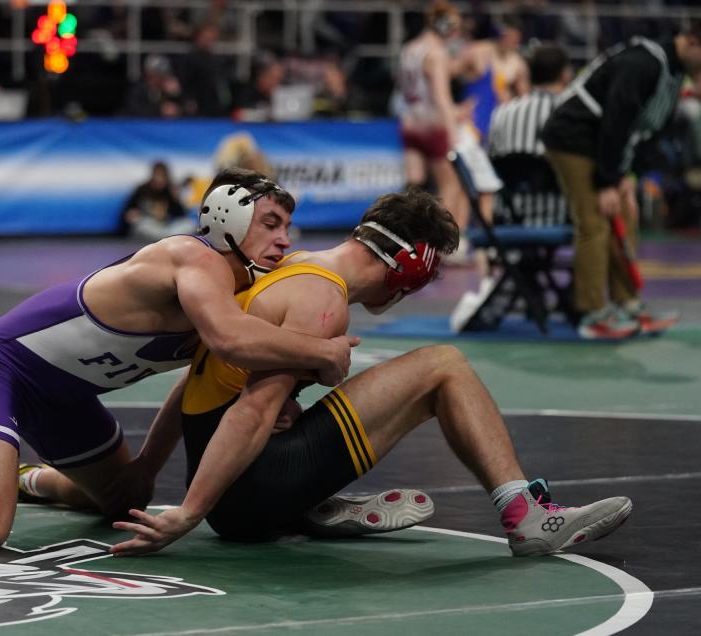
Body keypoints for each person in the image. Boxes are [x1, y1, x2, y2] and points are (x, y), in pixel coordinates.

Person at [0, 168, 358, 551]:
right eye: (271, 224)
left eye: (288, 225)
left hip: (64, 396)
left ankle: (28, 479)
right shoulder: (193, 261)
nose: (286, 240)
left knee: (125, 500)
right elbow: (231, 345)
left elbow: (193, 382)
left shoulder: (231, 292)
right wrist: (323, 352)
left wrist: (147, 470)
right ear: (228, 220)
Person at [110, 188, 633, 558]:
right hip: (246, 492)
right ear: (410, 270)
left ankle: (303, 507)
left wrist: (148, 469)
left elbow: (200, 381)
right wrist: (190, 513)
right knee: (444, 366)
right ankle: (526, 515)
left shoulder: (294, 265)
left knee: (290, 409)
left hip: (225, 478)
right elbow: (251, 412)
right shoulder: (323, 301)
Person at [541, 23, 701, 339]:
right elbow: (616, 121)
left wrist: (628, 177)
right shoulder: (643, 63)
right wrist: (606, 182)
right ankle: (592, 314)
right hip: (573, 138)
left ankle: (627, 304)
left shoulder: (673, 72)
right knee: (595, 221)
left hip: (604, 147)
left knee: (625, 217)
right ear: (693, 42)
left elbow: (647, 133)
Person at [395, 1, 468, 245]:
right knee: (451, 184)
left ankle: (400, 234)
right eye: (455, 29)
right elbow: (441, 97)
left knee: (413, 184)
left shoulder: (410, 48)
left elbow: (409, 90)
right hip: (432, 126)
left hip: (410, 123)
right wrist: (452, 131)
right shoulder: (437, 53)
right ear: (446, 28)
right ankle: (442, 244)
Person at [487, 43, 572, 226]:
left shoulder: (502, 112)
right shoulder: (570, 112)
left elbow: (493, 163)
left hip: (509, 213)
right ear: (565, 75)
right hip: (559, 212)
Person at [119, 161, 194, 241]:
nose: (159, 179)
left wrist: (176, 199)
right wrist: (131, 214)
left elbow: (181, 216)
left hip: (167, 227)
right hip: (149, 225)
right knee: (141, 225)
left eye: (162, 176)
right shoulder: (142, 190)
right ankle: (167, 239)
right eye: (157, 175)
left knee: (189, 224)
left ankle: (165, 238)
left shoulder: (170, 190)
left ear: (167, 177)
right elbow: (126, 213)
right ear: (152, 175)